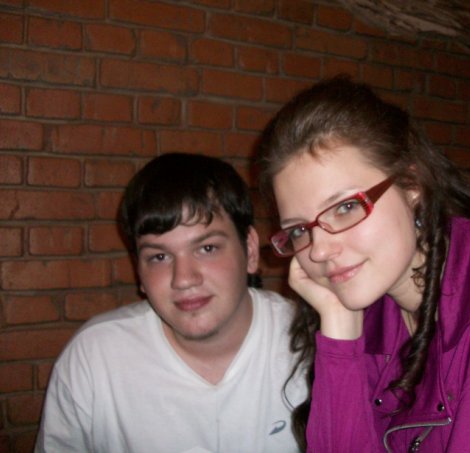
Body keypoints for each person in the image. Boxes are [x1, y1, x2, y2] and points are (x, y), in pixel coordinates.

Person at [256, 76, 470, 453]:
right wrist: (339, 326)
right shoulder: (374, 321)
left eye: (346, 207)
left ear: (411, 185)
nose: (319, 251)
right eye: (300, 230)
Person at [35, 153, 307, 453]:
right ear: (139, 271)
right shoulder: (94, 359)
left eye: (207, 248)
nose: (184, 279)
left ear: (250, 251)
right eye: (159, 257)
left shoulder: (310, 344)